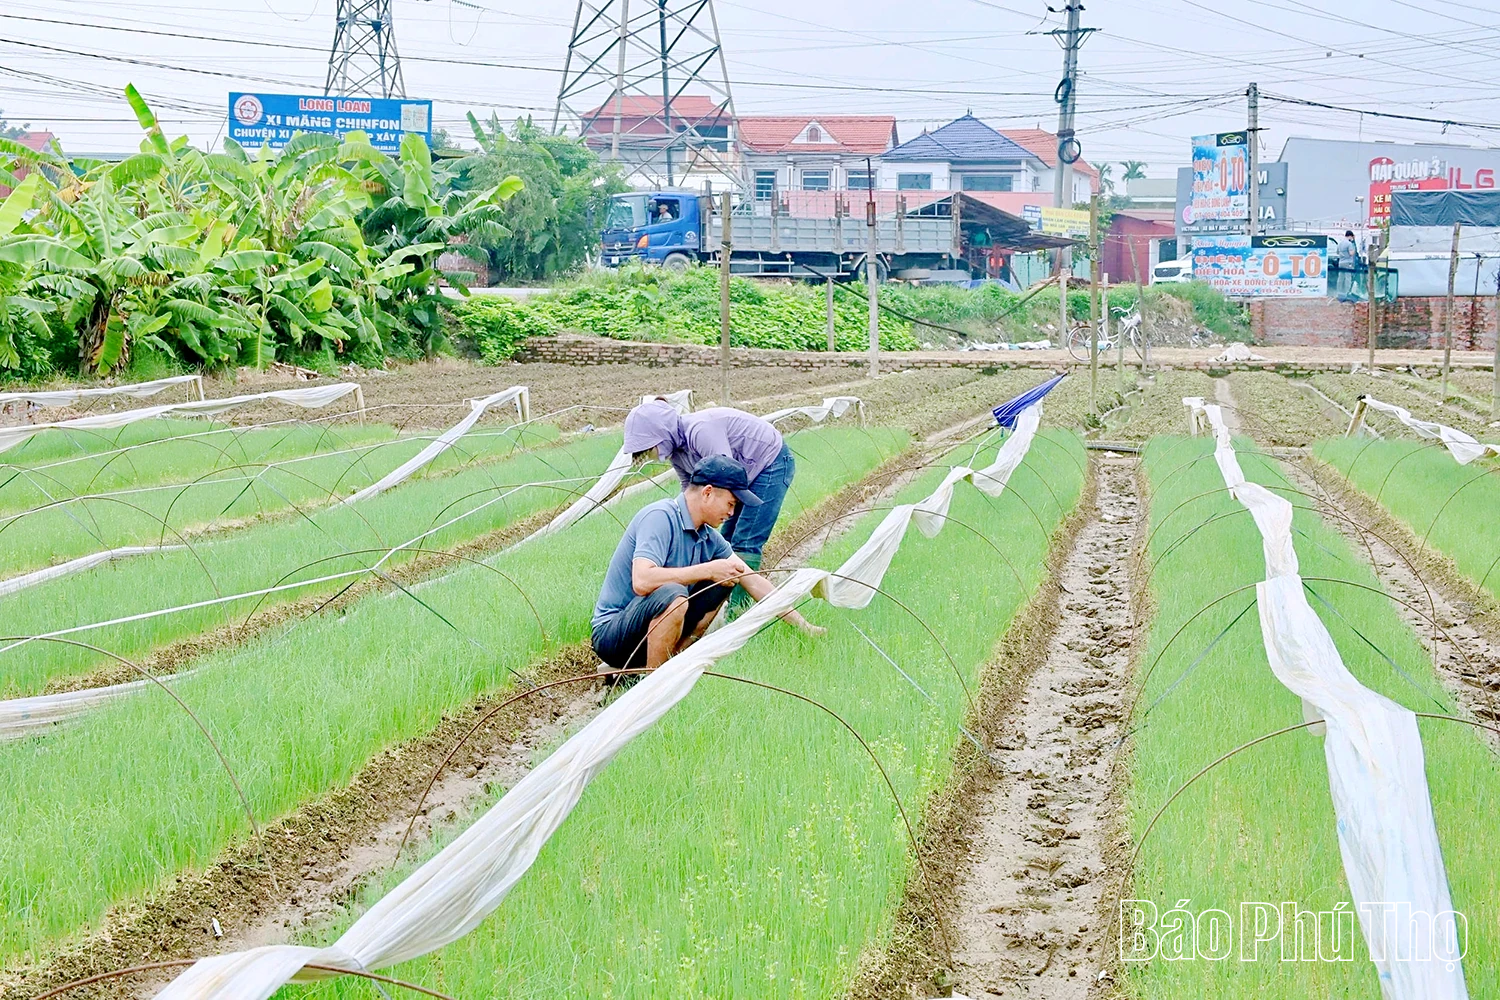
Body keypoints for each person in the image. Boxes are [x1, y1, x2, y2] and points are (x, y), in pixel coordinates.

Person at [591, 456, 822, 677]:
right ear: (708, 493)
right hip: (614, 635)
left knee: (726, 579)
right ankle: (654, 683)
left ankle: (676, 663)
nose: (731, 513)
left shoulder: (708, 536)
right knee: (674, 594)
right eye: (731, 504)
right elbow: (642, 582)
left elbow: (753, 581)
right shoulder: (660, 517)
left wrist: (804, 627)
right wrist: (708, 570)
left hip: (657, 630)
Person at [623, 398, 796, 611]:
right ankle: (714, 608)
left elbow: (723, 477)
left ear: (662, 432)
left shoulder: (700, 432)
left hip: (770, 463)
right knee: (724, 543)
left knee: (745, 540)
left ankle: (738, 612)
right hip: (739, 475)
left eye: (653, 447)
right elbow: (691, 490)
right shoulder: (678, 454)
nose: (655, 455)